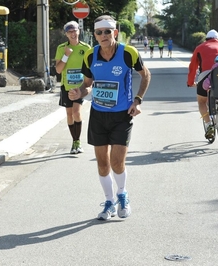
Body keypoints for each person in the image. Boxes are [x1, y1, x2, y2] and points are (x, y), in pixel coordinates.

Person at [68, 15, 151, 221]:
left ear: (115, 32)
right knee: (102, 163)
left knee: (116, 162)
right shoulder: (90, 56)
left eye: (107, 31)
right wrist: (79, 92)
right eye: (99, 32)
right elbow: (88, 84)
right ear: (95, 35)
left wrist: (138, 100)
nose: (103, 35)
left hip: (122, 115)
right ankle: (109, 202)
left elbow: (146, 74)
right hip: (98, 114)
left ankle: (122, 195)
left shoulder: (128, 53)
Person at [55, 21, 91, 154]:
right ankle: (74, 141)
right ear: (66, 34)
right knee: (69, 115)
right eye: (70, 32)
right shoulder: (61, 48)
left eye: (75, 30)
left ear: (79, 31)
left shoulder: (86, 48)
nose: (73, 33)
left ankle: (78, 141)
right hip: (66, 87)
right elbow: (58, 70)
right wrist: (66, 55)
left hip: (80, 86)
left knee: (76, 112)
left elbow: (91, 68)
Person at [187, 29, 218, 139]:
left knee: (202, 102)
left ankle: (208, 124)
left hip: (206, 76)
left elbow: (193, 67)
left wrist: (191, 82)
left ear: (206, 39)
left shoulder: (200, 47)